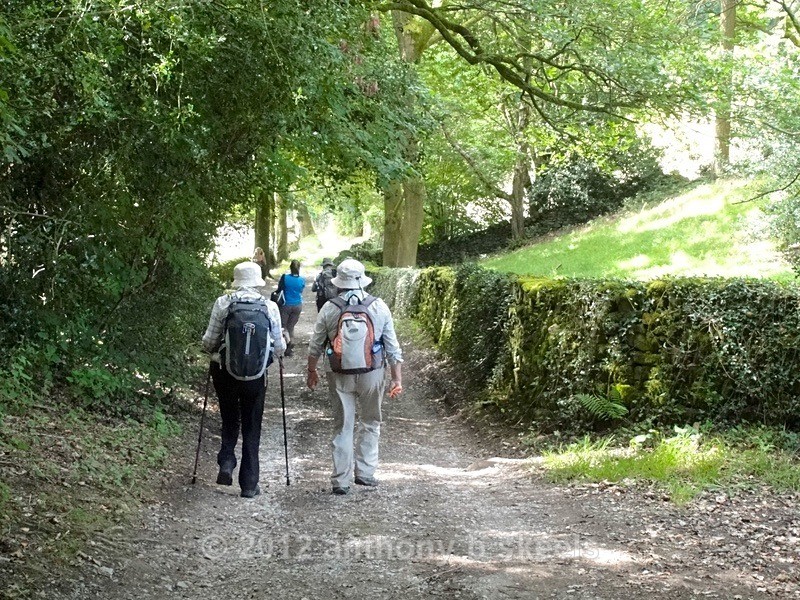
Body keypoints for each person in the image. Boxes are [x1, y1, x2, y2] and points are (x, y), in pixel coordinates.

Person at [306, 258, 403, 496]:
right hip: (373, 373)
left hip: (338, 373)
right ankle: (366, 473)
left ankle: (341, 480)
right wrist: (396, 378)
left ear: (339, 281)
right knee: (371, 422)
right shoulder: (378, 306)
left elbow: (315, 345)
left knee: (343, 425)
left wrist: (311, 371)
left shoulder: (330, 307)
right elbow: (392, 346)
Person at [202, 261, 285, 498]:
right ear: (257, 281)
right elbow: (279, 347)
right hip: (256, 377)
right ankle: (249, 484)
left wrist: (213, 350)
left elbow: (209, 342)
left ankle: (227, 461)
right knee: (252, 425)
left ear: (236, 281)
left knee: (229, 417)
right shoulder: (269, 307)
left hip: (225, 372)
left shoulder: (223, 303)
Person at [277, 259, 305, 357]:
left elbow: (279, 289)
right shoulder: (302, 279)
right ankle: (291, 342)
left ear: (290, 267)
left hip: (286, 304)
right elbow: (301, 290)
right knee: (291, 326)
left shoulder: (285, 277)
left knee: (283, 326)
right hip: (298, 305)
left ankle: (288, 344)